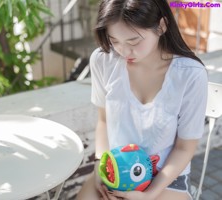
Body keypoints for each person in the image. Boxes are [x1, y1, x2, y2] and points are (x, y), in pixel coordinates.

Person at [76, 0, 208, 200]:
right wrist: (99, 168)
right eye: (114, 40)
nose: (124, 51)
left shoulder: (190, 75)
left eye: (134, 41)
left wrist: (149, 195)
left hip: (165, 179)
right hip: (117, 170)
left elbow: (185, 148)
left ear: (162, 26)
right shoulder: (103, 61)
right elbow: (103, 121)